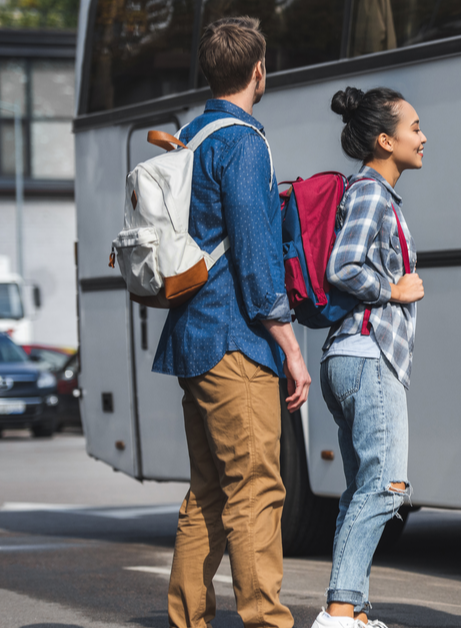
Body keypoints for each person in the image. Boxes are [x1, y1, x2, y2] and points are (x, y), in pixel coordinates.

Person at [156, 16, 309, 628]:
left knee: (208, 492)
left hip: (192, 338)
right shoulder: (244, 143)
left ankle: (188, 619)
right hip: (234, 341)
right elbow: (254, 256)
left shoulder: (189, 137)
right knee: (255, 490)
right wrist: (290, 346)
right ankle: (266, 620)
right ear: (258, 71)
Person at [309, 86, 426, 628]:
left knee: (362, 490)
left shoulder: (375, 194)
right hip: (368, 354)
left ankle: (350, 610)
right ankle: (338, 613)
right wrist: (393, 290)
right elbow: (343, 265)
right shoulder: (371, 194)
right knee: (386, 486)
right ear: (385, 140)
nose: (423, 137)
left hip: (356, 356)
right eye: (414, 128)